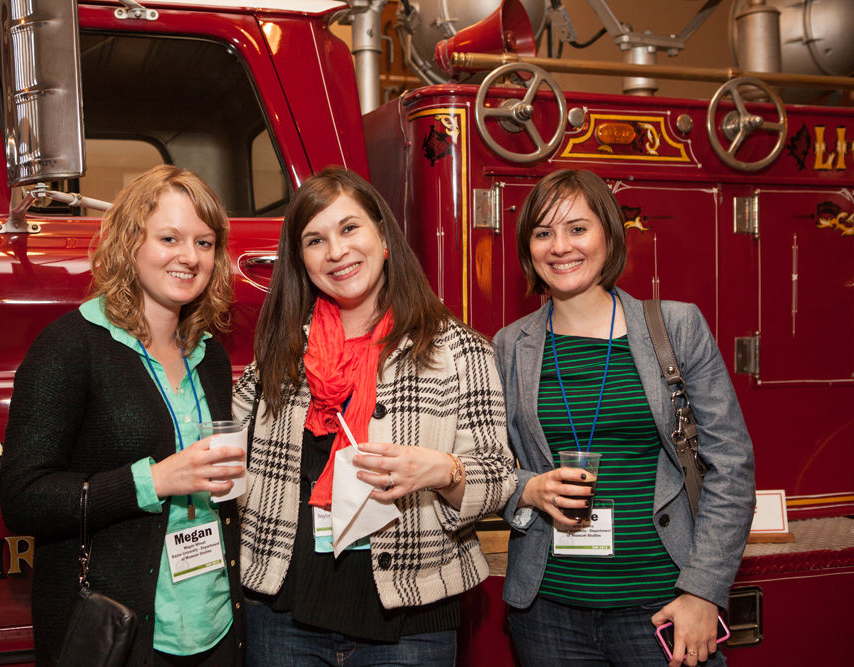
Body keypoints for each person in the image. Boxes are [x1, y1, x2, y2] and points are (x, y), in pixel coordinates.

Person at [232, 167, 516, 666]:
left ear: (383, 237)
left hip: (409, 623)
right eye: (315, 240)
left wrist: (445, 470)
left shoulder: (457, 349)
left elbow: (498, 475)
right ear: (301, 260)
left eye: (349, 229)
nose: (336, 251)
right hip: (283, 615)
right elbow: (225, 444)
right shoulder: (281, 349)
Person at [493, 169, 756, 667]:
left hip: (664, 607)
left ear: (609, 235)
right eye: (543, 233)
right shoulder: (511, 345)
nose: (560, 246)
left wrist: (704, 591)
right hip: (547, 614)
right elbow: (488, 466)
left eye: (577, 228)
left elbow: (731, 464)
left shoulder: (676, 326)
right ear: (529, 249)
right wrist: (529, 487)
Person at [0, 165, 246, 667]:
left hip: (217, 626)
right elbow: (23, 498)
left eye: (204, 242)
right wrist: (154, 479)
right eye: (169, 238)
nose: (189, 257)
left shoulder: (209, 354)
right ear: (129, 242)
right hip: (124, 636)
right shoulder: (69, 347)